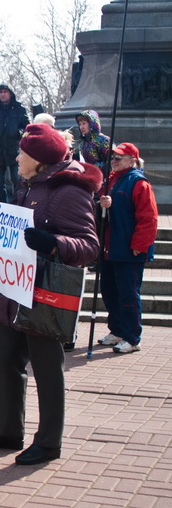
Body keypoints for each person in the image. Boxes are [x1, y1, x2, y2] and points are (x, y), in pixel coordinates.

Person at [0, 124, 101, 465]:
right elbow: (18, 229)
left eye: (22, 153)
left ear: (39, 159)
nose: (16, 157)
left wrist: (54, 243)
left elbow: (89, 246)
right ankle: (7, 431)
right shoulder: (27, 185)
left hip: (45, 295)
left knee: (47, 368)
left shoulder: (69, 191)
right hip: (15, 290)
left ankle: (48, 442)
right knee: (1, 359)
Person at [97, 143, 158, 354]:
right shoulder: (111, 181)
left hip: (128, 250)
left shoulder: (139, 183)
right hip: (110, 248)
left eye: (119, 157)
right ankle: (117, 330)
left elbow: (148, 218)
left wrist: (139, 245)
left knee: (128, 294)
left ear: (132, 160)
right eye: (113, 157)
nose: (114, 160)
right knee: (110, 291)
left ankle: (132, 337)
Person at [0, 84, 30, 203]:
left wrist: (18, 132)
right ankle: (1, 208)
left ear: (10, 94)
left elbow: (27, 127)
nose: (2, 94)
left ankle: (18, 206)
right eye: (0, 92)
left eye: (5, 92)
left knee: (17, 181)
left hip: (14, 151)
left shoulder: (19, 109)